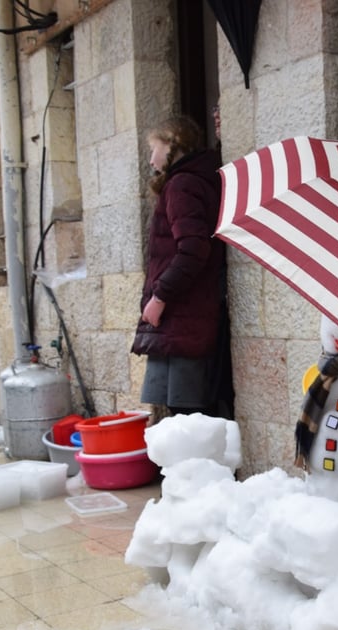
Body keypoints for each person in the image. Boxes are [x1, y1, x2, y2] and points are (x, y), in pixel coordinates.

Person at [131, 114, 235, 419]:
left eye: (155, 148)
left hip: (182, 318)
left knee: (187, 416)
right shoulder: (195, 180)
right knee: (190, 414)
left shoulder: (182, 184)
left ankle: (192, 469)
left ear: (173, 145)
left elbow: (192, 248)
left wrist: (160, 297)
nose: (151, 159)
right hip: (189, 318)